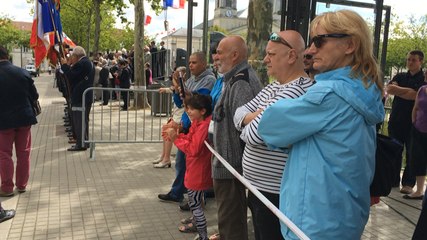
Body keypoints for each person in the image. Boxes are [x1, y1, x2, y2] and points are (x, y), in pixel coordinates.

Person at [257, 10, 384, 239]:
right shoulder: (363, 89)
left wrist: (258, 113)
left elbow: (268, 126)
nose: (310, 49)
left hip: (314, 222)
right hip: (343, 217)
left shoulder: (329, 94)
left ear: (349, 45)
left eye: (319, 40)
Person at [233, 30, 314, 240]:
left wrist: (249, 119)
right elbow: (237, 114)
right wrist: (258, 115)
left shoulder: (298, 91)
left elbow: (252, 135)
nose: (265, 59)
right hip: (259, 188)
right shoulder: (275, 86)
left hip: (274, 193)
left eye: (272, 54)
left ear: (291, 56)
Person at [211, 35, 263, 240]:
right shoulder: (234, 79)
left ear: (234, 55)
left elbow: (247, 131)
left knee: (231, 224)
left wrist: (236, 168)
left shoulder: (240, 83)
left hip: (232, 169)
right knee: (230, 221)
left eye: (220, 52)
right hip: (230, 167)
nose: (216, 56)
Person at [158, 52, 215, 202]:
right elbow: (181, 103)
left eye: (194, 62)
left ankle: (189, 197)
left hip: (197, 125)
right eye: (190, 62)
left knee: (187, 162)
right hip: (188, 124)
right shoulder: (190, 80)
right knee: (183, 162)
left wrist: (180, 87)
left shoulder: (209, 79)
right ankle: (184, 193)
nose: (190, 65)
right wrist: (178, 88)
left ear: (203, 63)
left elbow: (196, 102)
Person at [164, 93, 213, 240]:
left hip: (198, 172)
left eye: (192, 109)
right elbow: (190, 138)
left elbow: (194, 149)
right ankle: (196, 224)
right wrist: (178, 134)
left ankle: (202, 235)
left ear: (202, 111)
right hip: (194, 169)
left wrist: (175, 138)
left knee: (195, 203)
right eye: (187, 108)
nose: (188, 112)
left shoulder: (203, 126)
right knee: (195, 201)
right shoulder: (198, 123)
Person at [0, 45, 39, 196]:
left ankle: (7, 188)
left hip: (4, 121)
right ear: (7, 56)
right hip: (24, 118)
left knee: (4, 154)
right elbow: (34, 96)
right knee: (24, 153)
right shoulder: (23, 72)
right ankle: (22, 185)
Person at [387, 50, 425, 194]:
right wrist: (407, 91)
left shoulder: (423, 79)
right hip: (396, 120)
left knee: (411, 153)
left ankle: (408, 183)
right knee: (394, 150)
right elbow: (389, 89)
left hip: (414, 122)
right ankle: (393, 179)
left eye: (413, 60)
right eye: (408, 59)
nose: (410, 62)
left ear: (420, 61)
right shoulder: (400, 75)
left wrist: (399, 90)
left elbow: (416, 95)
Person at [61, 46, 95, 151]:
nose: (71, 58)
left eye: (72, 56)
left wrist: (65, 66)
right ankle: (85, 141)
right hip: (85, 96)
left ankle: (81, 144)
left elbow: (71, 76)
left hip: (80, 96)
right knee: (83, 120)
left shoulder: (81, 63)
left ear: (76, 55)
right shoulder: (87, 62)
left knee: (79, 120)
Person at [153, 67, 186, 168]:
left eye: (176, 74)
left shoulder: (183, 87)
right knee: (165, 130)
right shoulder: (177, 86)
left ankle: (166, 158)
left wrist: (175, 85)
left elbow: (179, 102)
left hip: (180, 118)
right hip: (176, 116)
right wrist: (165, 89)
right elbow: (171, 90)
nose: (174, 76)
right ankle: (164, 156)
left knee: (168, 132)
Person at [403, 75, 427, 200]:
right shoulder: (422, 89)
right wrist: (414, 121)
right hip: (418, 129)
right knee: (418, 159)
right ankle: (419, 190)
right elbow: (416, 107)